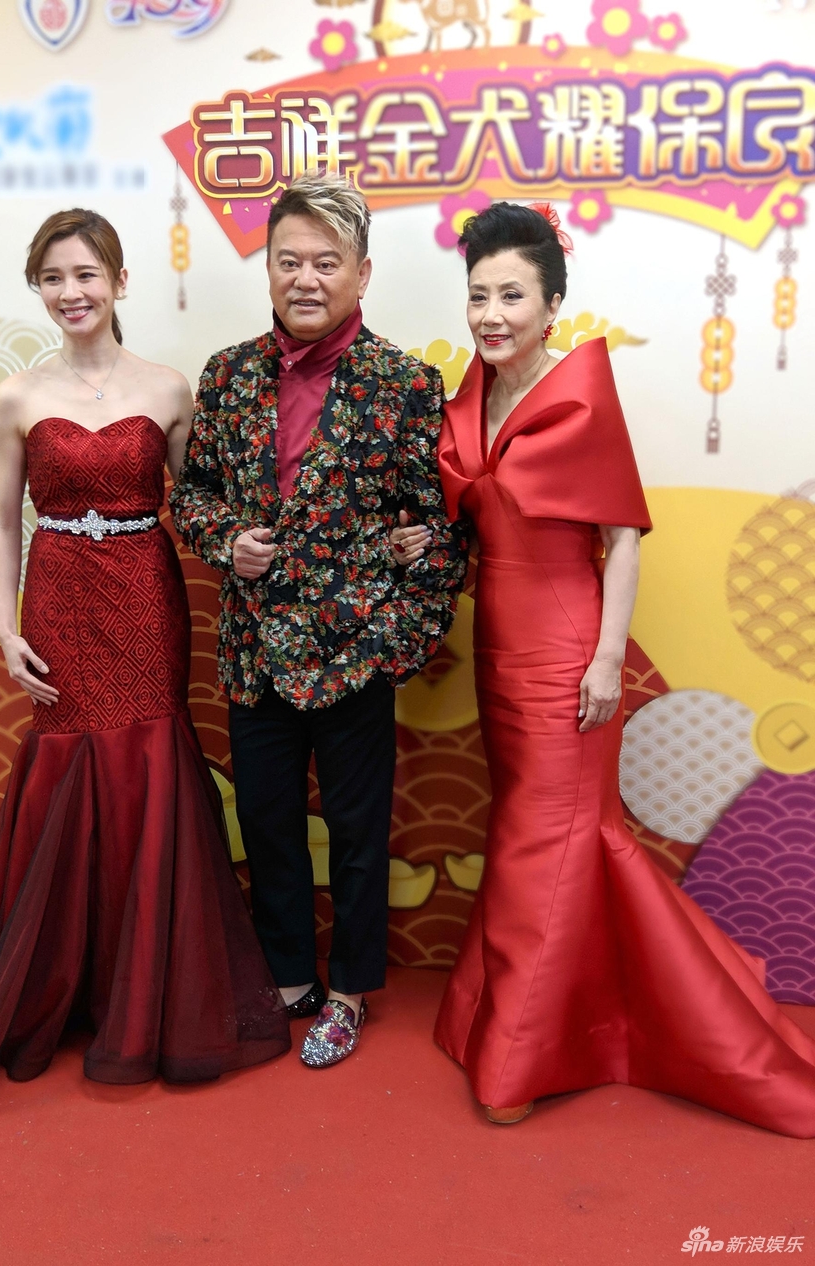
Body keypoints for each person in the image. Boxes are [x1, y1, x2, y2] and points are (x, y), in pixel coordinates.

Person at [395, 201, 815, 1136]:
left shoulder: (579, 392)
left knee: (547, 840)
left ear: (553, 305)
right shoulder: (471, 396)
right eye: (479, 295)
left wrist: (606, 661)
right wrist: (426, 539)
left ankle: (522, 1051)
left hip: (565, 646)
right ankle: (562, 1016)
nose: (492, 314)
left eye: (513, 296)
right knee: (539, 833)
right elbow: (479, 519)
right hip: (498, 648)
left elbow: (622, 539)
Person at [0, 208, 290, 1113]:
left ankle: (141, 987)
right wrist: (8, 626)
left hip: (145, 595)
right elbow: (1, 519)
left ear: (120, 281)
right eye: (53, 278)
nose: (72, 292)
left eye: (87, 274)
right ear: (39, 289)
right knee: (69, 764)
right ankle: (62, 976)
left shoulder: (170, 389)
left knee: (147, 763)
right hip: (58, 596)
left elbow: (199, 506)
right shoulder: (18, 396)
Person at [171, 174, 467, 1068]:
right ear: (267, 268)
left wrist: (394, 647)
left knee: (358, 835)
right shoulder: (227, 375)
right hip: (256, 650)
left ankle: (349, 991)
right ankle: (291, 975)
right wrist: (227, 541)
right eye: (288, 260)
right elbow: (192, 495)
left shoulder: (406, 384)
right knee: (266, 823)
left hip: (356, 655)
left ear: (362, 273)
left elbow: (439, 532)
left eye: (326, 263)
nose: (306, 278)